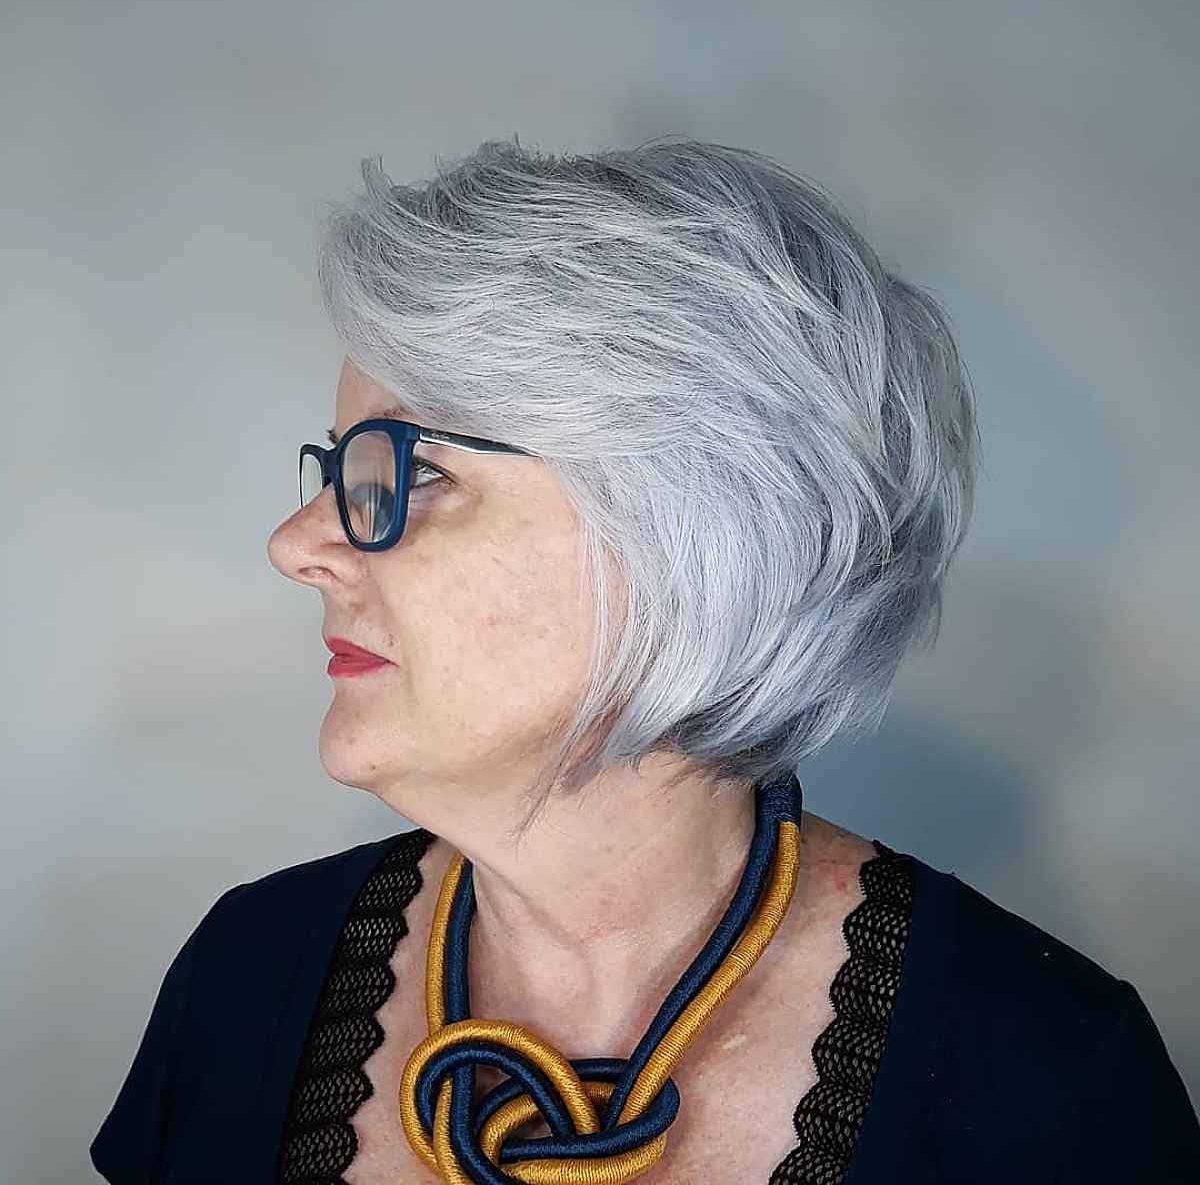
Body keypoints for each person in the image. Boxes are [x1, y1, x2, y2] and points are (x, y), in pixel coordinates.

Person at [90, 137, 1200, 1184]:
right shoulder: (246, 976)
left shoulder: (1045, 1082)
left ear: (698, 535)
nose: (296, 544)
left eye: (410, 473)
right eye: (336, 470)